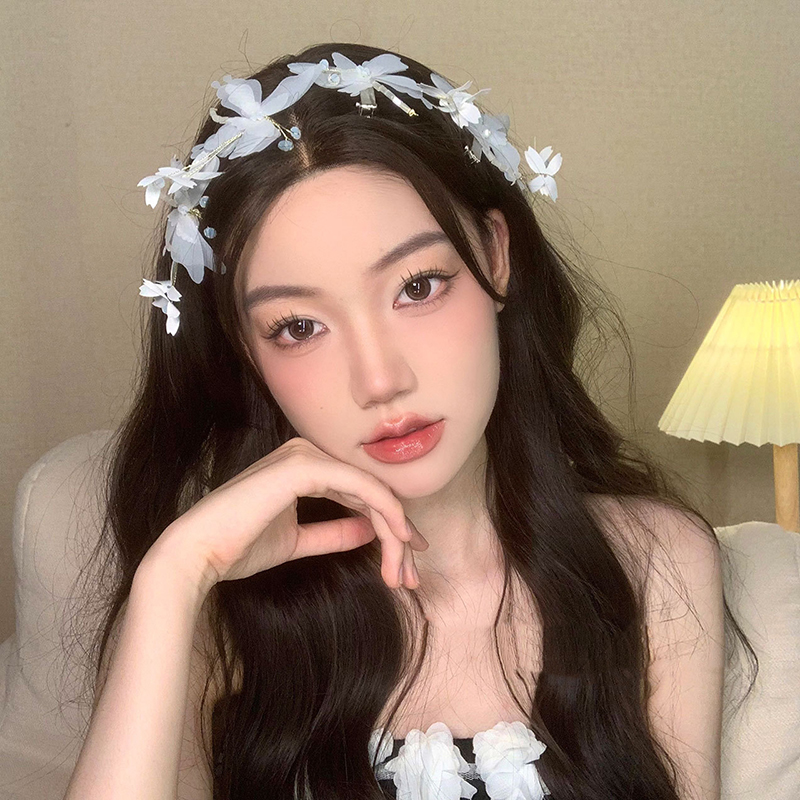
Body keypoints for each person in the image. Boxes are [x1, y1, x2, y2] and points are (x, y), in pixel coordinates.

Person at [63, 42, 756, 800]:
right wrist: (173, 577)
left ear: (496, 255)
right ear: (245, 350)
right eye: (298, 327)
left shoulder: (652, 564)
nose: (380, 379)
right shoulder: (208, 616)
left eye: (418, 286)